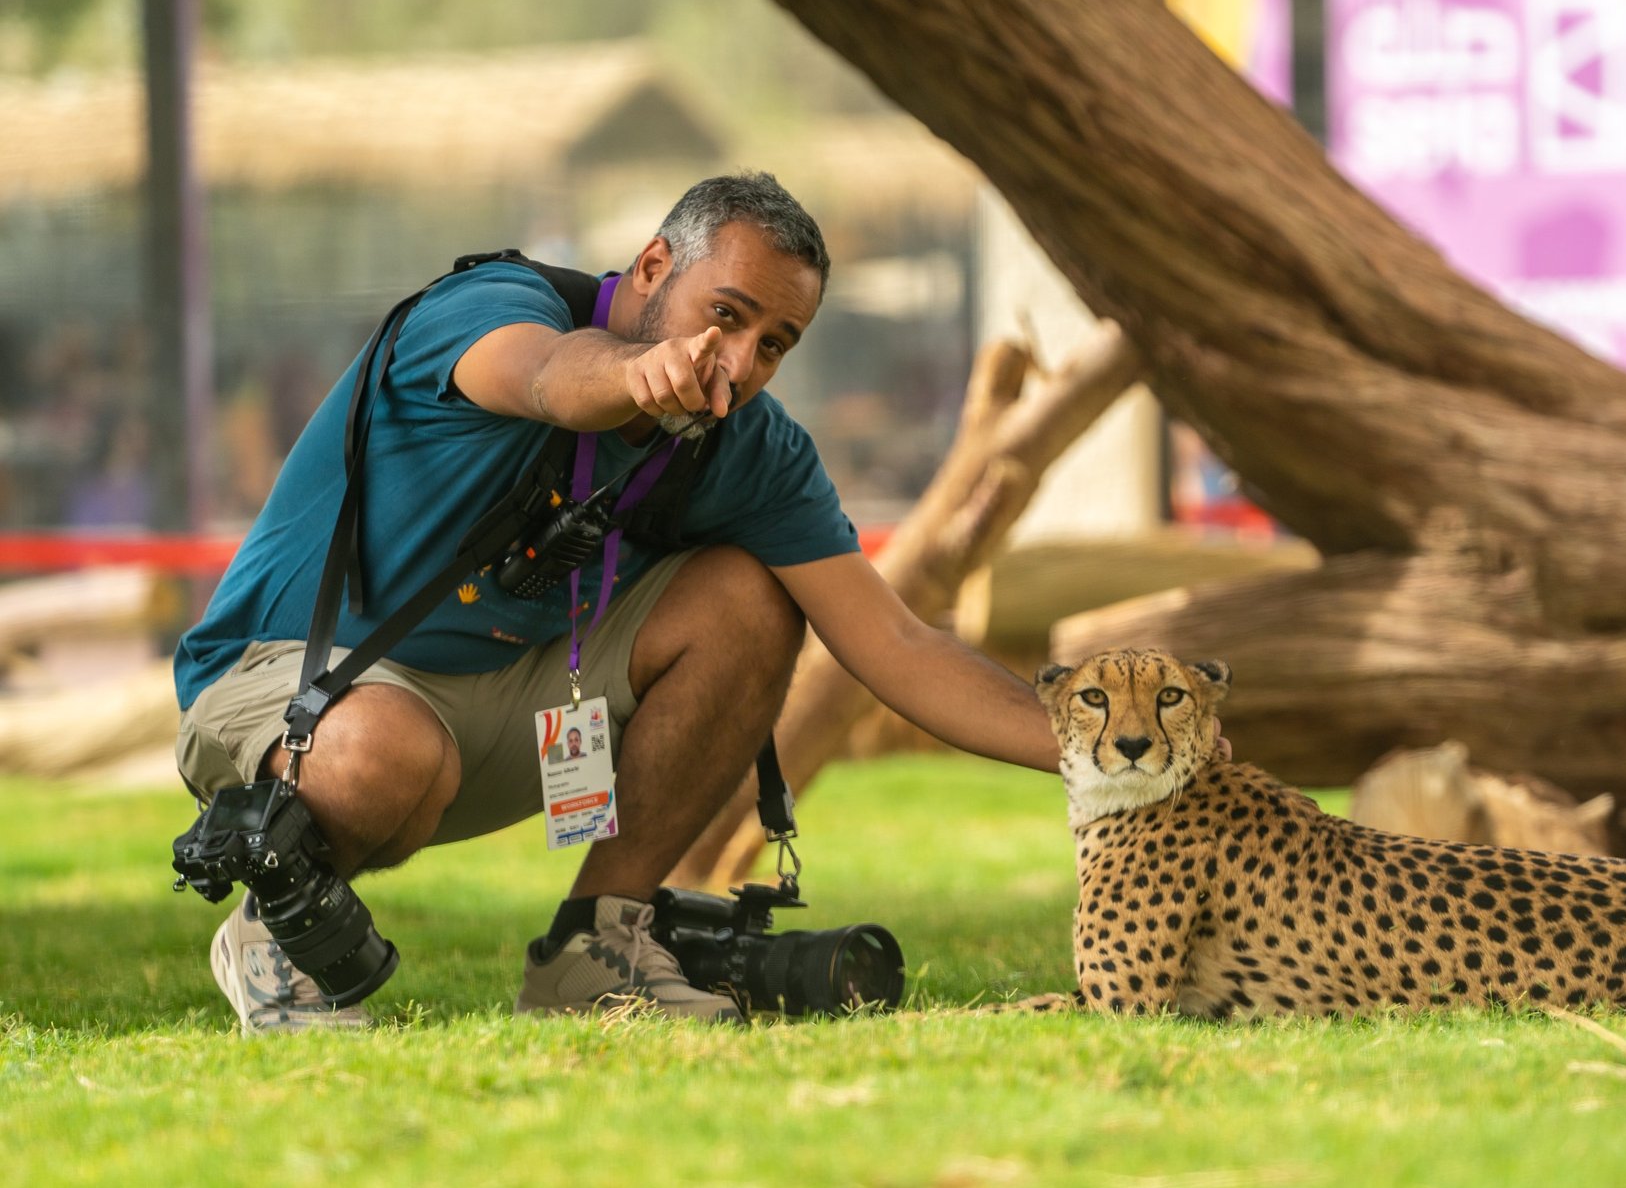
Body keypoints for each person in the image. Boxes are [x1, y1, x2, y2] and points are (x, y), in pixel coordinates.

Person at [173, 172, 1061, 1032]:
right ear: (649, 269)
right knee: (389, 752)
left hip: (504, 703)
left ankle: (594, 949)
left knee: (750, 598)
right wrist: (636, 376)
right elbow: (550, 377)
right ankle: (275, 931)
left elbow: (898, 646)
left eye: (776, 343)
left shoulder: (745, 445)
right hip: (295, 687)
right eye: (726, 316)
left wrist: (1106, 753)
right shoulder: (486, 305)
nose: (743, 363)